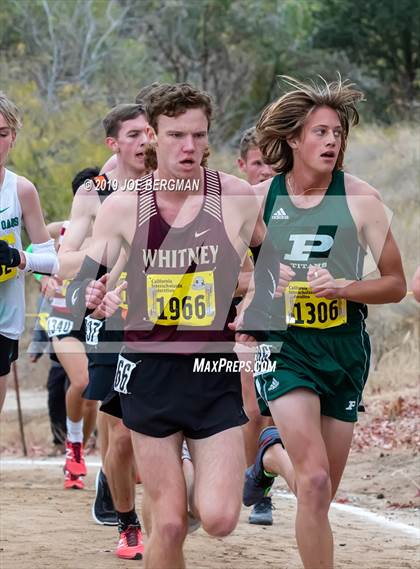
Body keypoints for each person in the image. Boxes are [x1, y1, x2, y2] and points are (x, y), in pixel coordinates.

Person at [67, 82, 272, 569]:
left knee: (218, 518)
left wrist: (257, 304)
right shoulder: (122, 204)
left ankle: (189, 467)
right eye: (177, 135)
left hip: (211, 369)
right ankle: (169, 485)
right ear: (154, 136)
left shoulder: (238, 196)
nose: (190, 147)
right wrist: (94, 296)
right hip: (148, 371)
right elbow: (87, 280)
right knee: (171, 522)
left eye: (199, 136)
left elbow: (271, 262)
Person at [242, 76, 406, 569]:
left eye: (337, 133)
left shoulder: (360, 199)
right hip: (285, 347)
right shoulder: (257, 199)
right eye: (319, 132)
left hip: (343, 349)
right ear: (294, 139)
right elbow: (232, 272)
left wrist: (344, 287)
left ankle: (270, 454)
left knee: (321, 494)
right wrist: (265, 283)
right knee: (312, 482)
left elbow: (395, 282)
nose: (331, 141)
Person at [58, 103, 148, 559]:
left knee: (145, 426)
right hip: (109, 316)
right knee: (122, 431)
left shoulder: (173, 184)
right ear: (113, 143)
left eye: (148, 132)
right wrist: (67, 268)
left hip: (162, 317)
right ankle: (127, 523)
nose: (143, 142)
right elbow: (72, 246)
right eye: (132, 135)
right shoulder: (96, 190)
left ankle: (122, 484)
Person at [0, 92, 57, 412]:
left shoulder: (21, 190)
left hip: (4, 318)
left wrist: (19, 258)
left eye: (2, 134)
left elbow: (52, 261)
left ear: (14, 137)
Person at [236, 126, 276, 525]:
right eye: (258, 163)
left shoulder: (286, 200)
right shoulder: (241, 203)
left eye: (272, 161)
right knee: (252, 405)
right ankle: (258, 485)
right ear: (243, 165)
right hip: (241, 319)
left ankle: (261, 469)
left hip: (296, 321)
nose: (266, 170)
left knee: (272, 411)